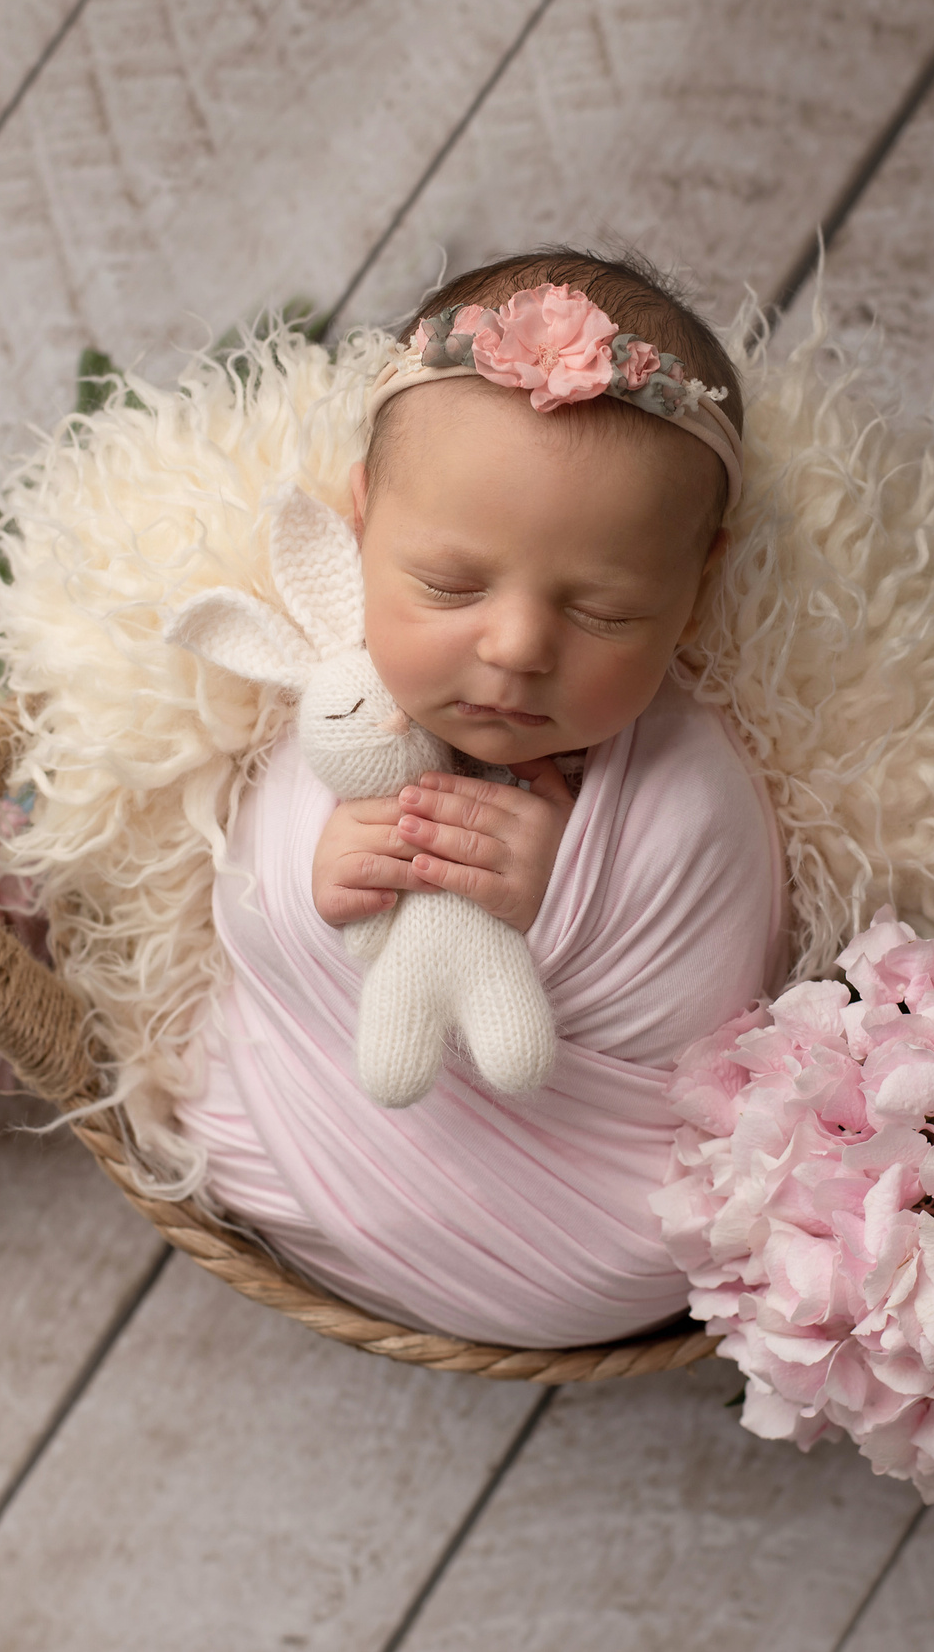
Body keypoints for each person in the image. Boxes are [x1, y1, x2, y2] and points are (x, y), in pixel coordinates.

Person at [179, 251, 788, 1350]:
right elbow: (240, 900)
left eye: (602, 611)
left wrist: (559, 910)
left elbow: (720, 1016)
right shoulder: (340, 708)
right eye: (450, 586)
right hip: (289, 1141)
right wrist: (320, 883)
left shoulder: (690, 784)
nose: (514, 649)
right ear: (361, 523)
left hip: (599, 1237)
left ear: (696, 588)